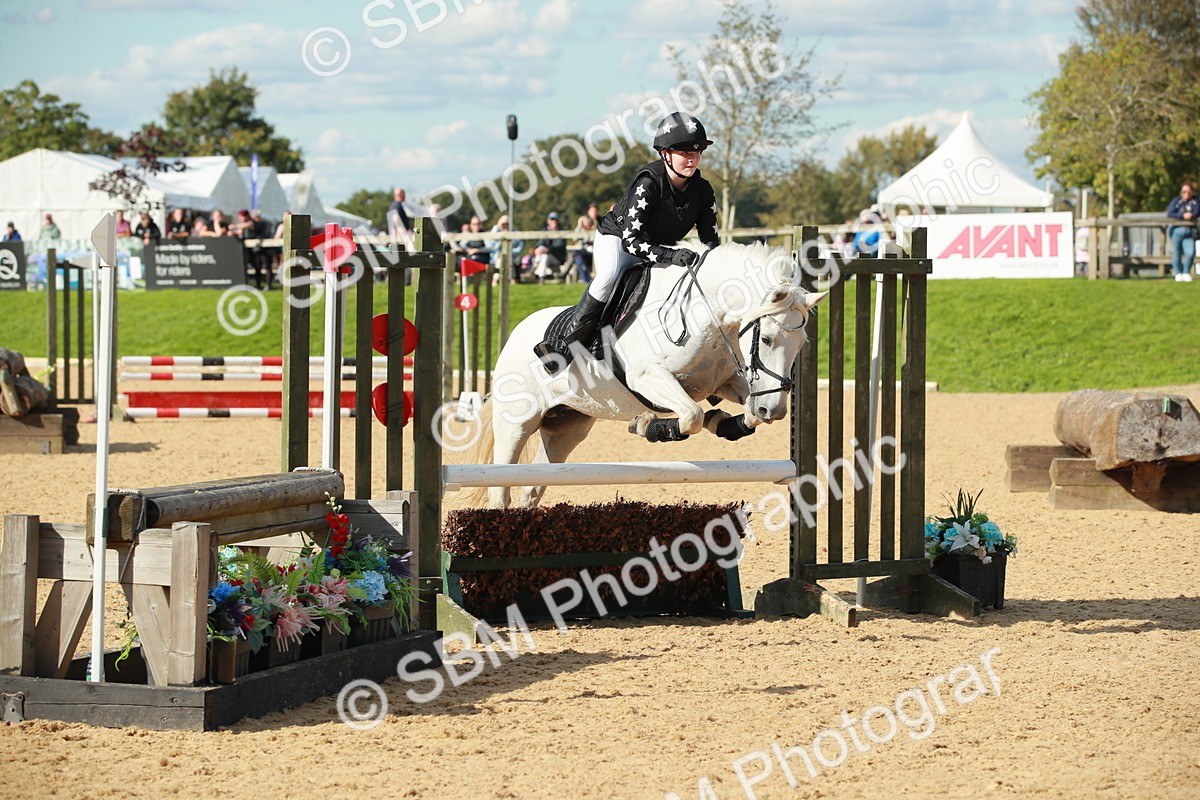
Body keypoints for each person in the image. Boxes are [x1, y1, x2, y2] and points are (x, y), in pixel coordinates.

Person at [534, 111, 719, 373]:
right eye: (684, 152)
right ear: (665, 154)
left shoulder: (703, 191)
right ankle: (565, 349)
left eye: (697, 151)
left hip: (659, 247)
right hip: (619, 241)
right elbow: (632, 242)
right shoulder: (648, 184)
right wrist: (673, 255)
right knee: (608, 277)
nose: (693, 158)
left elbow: (710, 241)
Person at [1165, 182, 1198, 282]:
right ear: (1181, 192)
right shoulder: (1176, 201)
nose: (1186, 194)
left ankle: (1186, 272)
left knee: (1190, 252)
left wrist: (1191, 215)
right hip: (1176, 230)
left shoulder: (1196, 201)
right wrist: (1182, 216)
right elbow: (1170, 213)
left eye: (1188, 191)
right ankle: (1178, 273)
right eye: (1184, 191)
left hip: (1189, 231)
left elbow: (1197, 211)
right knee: (1177, 252)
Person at [532, 212, 568, 282]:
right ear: (548, 221)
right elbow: (540, 243)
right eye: (552, 219)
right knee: (542, 253)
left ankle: (534, 270)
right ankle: (541, 277)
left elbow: (559, 245)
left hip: (557, 257)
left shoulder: (562, 231)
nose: (554, 221)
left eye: (556, 219)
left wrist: (548, 249)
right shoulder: (545, 231)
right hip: (544, 256)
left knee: (544, 255)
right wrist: (536, 249)